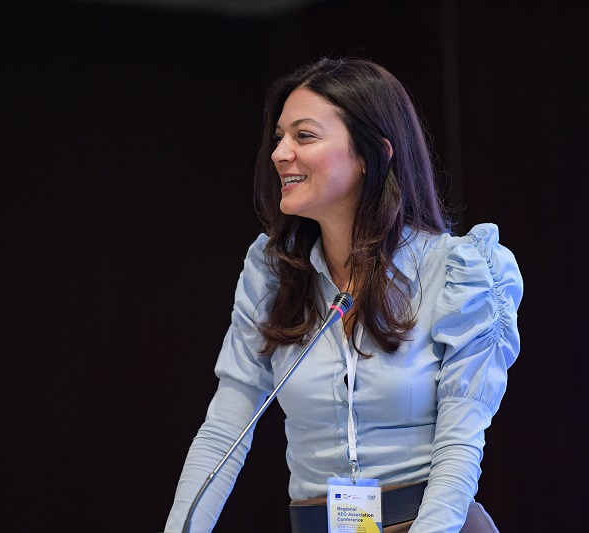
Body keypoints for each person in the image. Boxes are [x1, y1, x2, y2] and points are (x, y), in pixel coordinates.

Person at [164, 57, 523, 533]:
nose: (280, 153)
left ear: (372, 154)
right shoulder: (274, 273)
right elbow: (223, 432)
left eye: (304, 136)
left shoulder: (460, 272)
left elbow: (459, 451)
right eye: (279, 138)